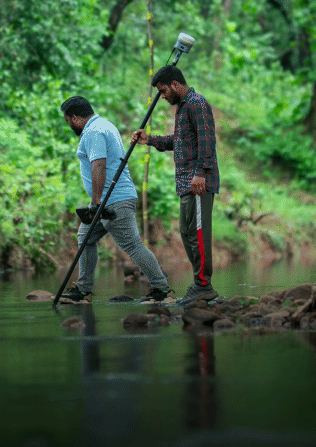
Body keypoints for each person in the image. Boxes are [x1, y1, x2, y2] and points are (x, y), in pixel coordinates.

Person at [59, 96, 172, 304]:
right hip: (109, 198)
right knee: (85, 237)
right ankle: (83, 291)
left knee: (132, 245)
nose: (69, 125)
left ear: (75, 118)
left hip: (112, 200)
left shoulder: (93, 132)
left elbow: (99, 164)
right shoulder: (104, 125)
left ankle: (162, 291)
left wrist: (96, 202)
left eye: (68, 121)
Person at [131, 66, 220, 306]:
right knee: (187, 233)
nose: (162, 96)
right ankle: (200, 284)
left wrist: (201, 173)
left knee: (198, 234)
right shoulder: (183, 108)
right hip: (186, 183)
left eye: (163, 91)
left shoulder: (197, 103)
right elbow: (180, 142)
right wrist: (150, 140)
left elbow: (207, 142)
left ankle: (203, 286)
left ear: (175, 85)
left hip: (198, 182)